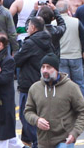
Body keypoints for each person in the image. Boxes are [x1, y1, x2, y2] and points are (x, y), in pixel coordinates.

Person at [24, 53, 84, 148]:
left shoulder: (71, 87)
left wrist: (75, 133)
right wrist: (36, 120)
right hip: (43, 141)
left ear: (56, 70)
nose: (45, 70)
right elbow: (28, 111)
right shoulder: (35, 88)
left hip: (65, 139)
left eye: (49, 67)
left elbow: (83, 111)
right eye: (43, 67)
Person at [14, 16, 54, 148]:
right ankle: (28, 139)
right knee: (38, 113)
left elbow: (17, 61)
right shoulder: (48, 40)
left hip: (29, 83)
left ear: (33, 28)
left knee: (26, 114)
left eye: (29, 26)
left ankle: (37, 142)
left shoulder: (30, 43)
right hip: (44, 82)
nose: (27, 28)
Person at [56, 0, 84, 96]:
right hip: (75, 55)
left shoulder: (53, 23)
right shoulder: (76, 21)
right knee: (79, 83)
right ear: (68, 9)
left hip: (61, 56)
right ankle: (81, 105)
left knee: (63, 84)